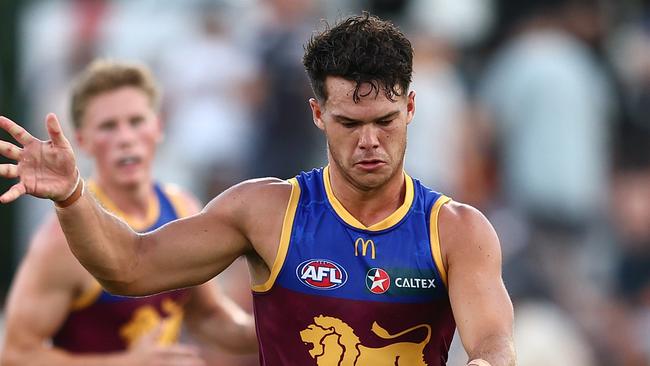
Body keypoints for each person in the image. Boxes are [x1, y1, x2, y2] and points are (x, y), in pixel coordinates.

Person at [0, 14, 515, 366]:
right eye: (349, 123)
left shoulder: (456, 230)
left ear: (411, 109)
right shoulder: (265, 211)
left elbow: (492, 341)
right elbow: (131, 266)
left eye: (385, 120)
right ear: (317, 114)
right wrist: (72, 195)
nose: (369, 142)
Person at [0, 60, 257, 365]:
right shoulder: (61, 241)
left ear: (158, 127)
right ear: (82, 141)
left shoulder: (181, 207)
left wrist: (283, 324)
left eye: (136, 121)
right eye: (108, 126)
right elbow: (14, 354)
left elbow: (208, 317)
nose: (125, 138)